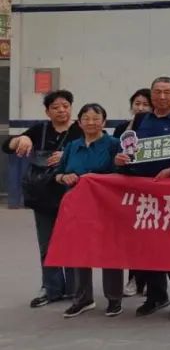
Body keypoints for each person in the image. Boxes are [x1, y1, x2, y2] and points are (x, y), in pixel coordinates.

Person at [113, 76, 170, 321]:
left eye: (167, 92)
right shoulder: (140, 120)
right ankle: (156, 296)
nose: (162, 96)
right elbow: (125, 152)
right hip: (144, 196)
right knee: (147, 248)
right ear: (151, 95)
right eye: (157, 92)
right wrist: (120, 160)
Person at [3, 89, 81, 308]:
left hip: (73, 196)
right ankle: (51, 288)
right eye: (55, 107)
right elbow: (6, 146)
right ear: (48, 112)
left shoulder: (80, 129)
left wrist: (67, 155)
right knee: (48, 245)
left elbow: (96, 151)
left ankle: (77, 289)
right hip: (43, 196)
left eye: (65, 106)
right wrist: (21, 138)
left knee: (74, 243)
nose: (61, 111)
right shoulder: (40, 129)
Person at [55, 103, 124, 318]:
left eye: (96, 118)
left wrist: (98, 179)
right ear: (79, 122)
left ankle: (114, 299)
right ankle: (83, 299)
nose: (91, 122)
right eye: (86, 118)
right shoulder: (72, 146)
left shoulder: (114, 144)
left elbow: (124, 174)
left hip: (106, 206)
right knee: (80, 251)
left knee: (109, 252)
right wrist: (64, 177)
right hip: (77, 207)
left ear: (104, 122)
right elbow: (58, 174)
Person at [116, 88, 151, 298]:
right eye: (137, 104)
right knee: (133, 238)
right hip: (128, 189)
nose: (140, 108)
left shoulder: (155, 128)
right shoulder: (122, 129)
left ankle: (150, 281)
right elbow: (114, 155)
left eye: (145, 104)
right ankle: (134, 278)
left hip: (152, 190)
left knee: (151, 239)